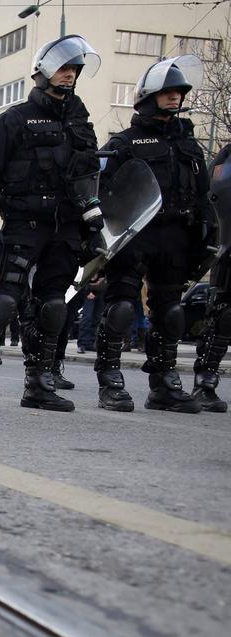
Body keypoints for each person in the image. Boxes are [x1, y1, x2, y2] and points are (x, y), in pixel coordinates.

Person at [0, 34, 102, 411]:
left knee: (54, 305)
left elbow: (91, 182)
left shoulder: (81, 126)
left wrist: (93, 230)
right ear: (43, 71)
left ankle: (39, 383)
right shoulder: (15, 120)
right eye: (63, 67)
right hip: (24, 223)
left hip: (66, 227)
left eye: (74, 68)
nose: (69, 75)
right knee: (4, 301)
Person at [95, 55, 210, 413]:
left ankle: (163, 382)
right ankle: (110, 380)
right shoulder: (125, 142)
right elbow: (104, 193)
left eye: (179, 92)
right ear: (149, 95)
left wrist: (205, 239)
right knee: (122, 308)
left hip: (176, 236)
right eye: (167, 92)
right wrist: (98, 243)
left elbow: (205, 195)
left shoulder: (189, 146)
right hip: (135, 234)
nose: (175, 98)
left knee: (171, 312)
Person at [193, 143, 230, 413]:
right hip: (229, 245)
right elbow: (213, 196)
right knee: (224, 313)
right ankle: (204, 380)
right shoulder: (228, 156)